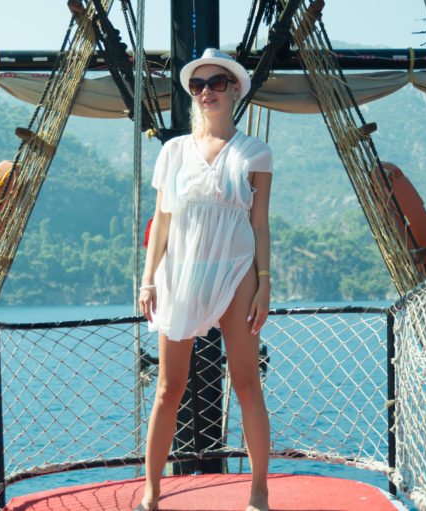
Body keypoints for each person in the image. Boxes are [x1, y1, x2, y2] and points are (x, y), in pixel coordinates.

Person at [135, 48, 273, 511]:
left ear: (234, 88)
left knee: (246, 382)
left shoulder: (255, 152)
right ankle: (152, 492)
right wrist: (148, 279)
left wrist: (265, 283)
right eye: (198, 85)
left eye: (216, 83)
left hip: (237, 273)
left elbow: (259, 224)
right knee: (169, 388)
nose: (207, 91)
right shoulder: (174, 152)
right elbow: (162, 221)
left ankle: (258, 492)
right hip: (182, 273)